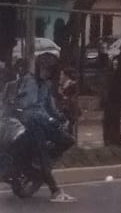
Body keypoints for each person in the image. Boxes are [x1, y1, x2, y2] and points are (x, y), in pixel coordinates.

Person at [13, 53, 75, 203]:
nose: (46, 72)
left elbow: (50, 106)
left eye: (49, 70)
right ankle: (54, 190)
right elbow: (31, 107)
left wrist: (61, 117)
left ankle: (40, 162)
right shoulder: (30, 81)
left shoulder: (46, 85)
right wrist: (50, 119)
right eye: (44, 69)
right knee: (43, 156)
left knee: (68, 140)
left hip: (45, 122)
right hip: (31, 123)